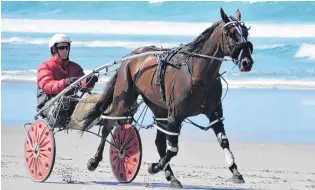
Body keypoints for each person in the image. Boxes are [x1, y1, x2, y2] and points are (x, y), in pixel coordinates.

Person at [36, 33, 98, 126]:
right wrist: (65, 82)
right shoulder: (45, 66)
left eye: (67, 47)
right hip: (48, 105)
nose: (65, 50)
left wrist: (90, 82)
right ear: (53, 49)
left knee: (95, 102)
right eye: (61, 48)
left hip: (71, 103)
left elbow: (82, 83)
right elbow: (47, 85)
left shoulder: (75, 67)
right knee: (63, 104)